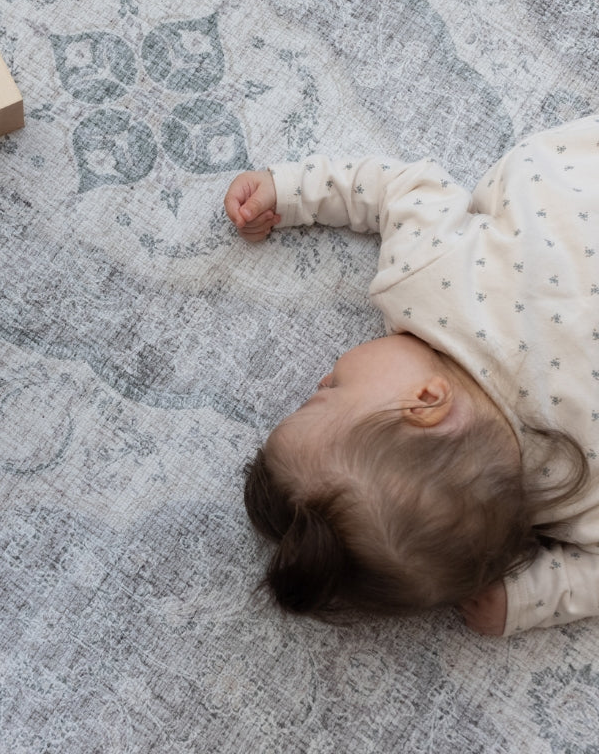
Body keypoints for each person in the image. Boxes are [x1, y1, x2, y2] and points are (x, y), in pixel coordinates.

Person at [224, 115, 599, 635]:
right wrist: (289, 190)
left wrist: (534, 597)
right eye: (329, 393)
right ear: (425, 401)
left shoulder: (573, 491)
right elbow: (398, 187)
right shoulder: (427, 280)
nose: (319, 380)